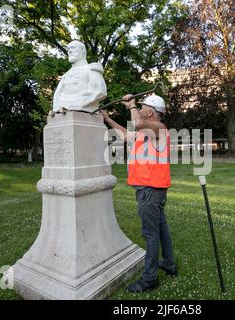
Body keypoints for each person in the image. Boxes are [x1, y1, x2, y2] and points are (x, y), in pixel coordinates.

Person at [101, 94, 177, 293]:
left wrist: (132, 105)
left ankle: (150, 278)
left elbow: (136, 122)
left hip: (149, 189)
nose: (140, 109)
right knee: (161, 228)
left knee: (150, 235)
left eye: (143, 107)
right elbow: (127, 134)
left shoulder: (160, 129)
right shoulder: (145, 131)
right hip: (153, 189)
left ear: (150, 112)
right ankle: (169, 264)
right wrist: (108, 119)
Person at [52, 40, 107, 112]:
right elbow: (57, 96)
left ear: (83, 50)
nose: (69, 51)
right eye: (68, 49)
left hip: (82, 109)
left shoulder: (91, 69)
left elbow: (100, 92)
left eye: (73, 48)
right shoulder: (65, 76)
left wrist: (79, 102)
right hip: (63, 110)